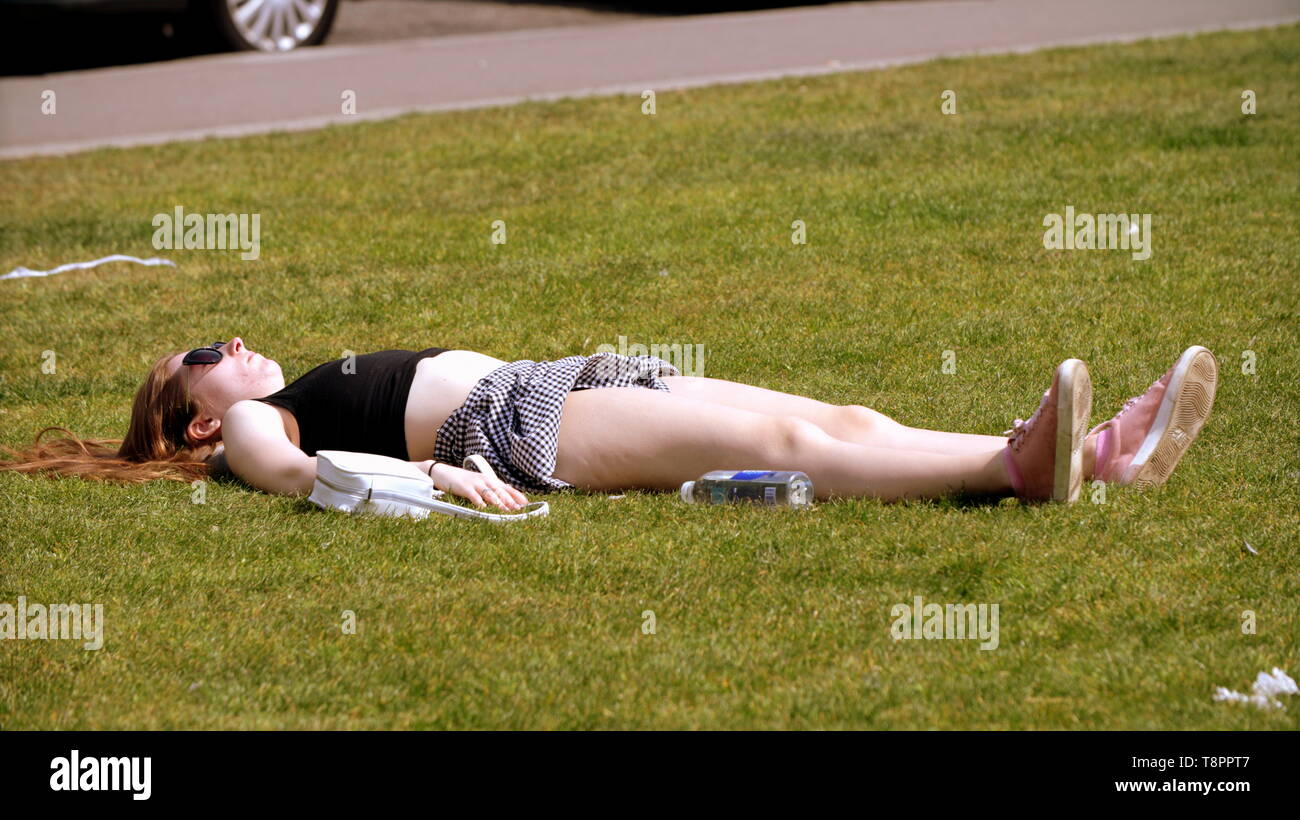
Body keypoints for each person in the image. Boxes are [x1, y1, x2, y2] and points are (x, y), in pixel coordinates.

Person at [0, 339, 1218, 509]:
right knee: (787, 451)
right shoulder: (256, 426)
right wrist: (428, 488)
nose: (234, 350)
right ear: (197, 422)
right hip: (512, 430)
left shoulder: (269, 388)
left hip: (564, 377)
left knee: (843, 412)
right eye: (204, 360)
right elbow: (292, 469)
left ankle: (1098, 453)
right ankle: (1022, 464)